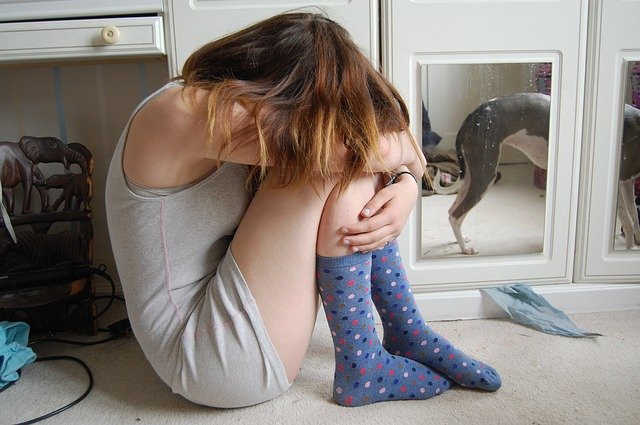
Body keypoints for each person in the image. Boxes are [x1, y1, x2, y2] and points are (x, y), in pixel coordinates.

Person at [105, 11, 500, 409]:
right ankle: (363, 366)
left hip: (228, 315)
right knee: (337, 169)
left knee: (350, 163)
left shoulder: (240, 110)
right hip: (205, 361)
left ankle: (405, 332)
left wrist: (406, 181)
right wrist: (409, 170)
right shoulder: (183, 111)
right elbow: (362, 147)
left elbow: (381, 145)